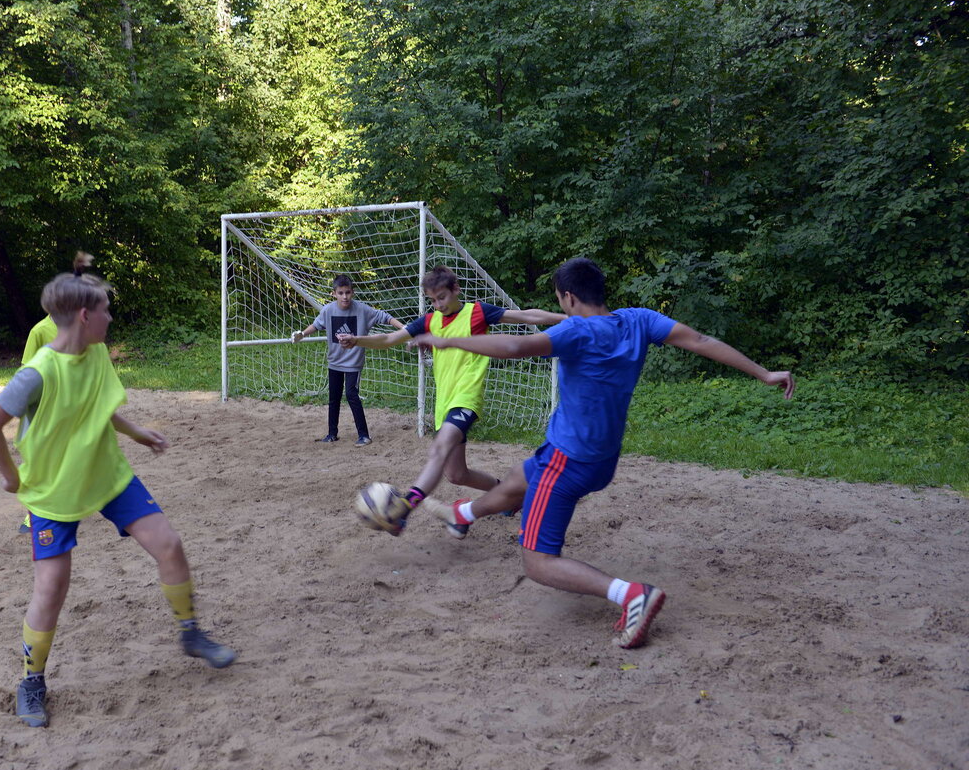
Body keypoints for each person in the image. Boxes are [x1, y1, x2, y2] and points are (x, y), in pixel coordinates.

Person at [413, 257, 795, 649]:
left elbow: (514, 345)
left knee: (539, 562)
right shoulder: (639, 320)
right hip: (602, 457)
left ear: (569, 297)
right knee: (519, 478)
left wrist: (446, 340)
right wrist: (764, 373)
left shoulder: (577, 331)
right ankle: (462, 514)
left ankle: (631, 596)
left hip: (569, 460)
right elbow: (700, 341)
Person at [0, 270, 236, 729]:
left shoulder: (95, 353)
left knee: (169, 545)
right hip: (55, 490)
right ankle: (31, 681)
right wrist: (12, 479)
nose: (110, 317)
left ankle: (191, 633)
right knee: (51, 587)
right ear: (84, 315)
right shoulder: (37, 373)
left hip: (107, 475)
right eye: (105, 309)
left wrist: (136, 433)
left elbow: (98, 406)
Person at [337, 265, 565, 533]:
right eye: (432, 300)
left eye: (442, 297)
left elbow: (526, 316)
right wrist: (357, 340)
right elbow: (389, 338)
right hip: (444, 402)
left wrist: (568, 318)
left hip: (467, 397)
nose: (438, 304)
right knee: (456, 474)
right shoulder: (429, 320)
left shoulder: (477, 312)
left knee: (440, 447)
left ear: (456, 290)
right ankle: (510, 497)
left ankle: (405, 508)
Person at [18, 252, 93, 535]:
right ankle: (33, 515)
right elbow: (27, 372)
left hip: (69, 405)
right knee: (38, 462)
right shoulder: (40, 330)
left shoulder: (79, 328)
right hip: (41, 408)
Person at [291, 274, 406, 446]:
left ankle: (364, 435)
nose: (345, 297)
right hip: (334, 361)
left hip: (353, 362)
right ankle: (332, 434)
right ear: (334, 294)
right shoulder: (328, 310)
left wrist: (404, 328)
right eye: (341, 293)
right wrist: (302, 334)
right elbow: (316, 325)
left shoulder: (362, 310)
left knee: (352, 395)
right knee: (334, 397)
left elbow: (384, 316)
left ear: (353, 292)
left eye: (348, 292)